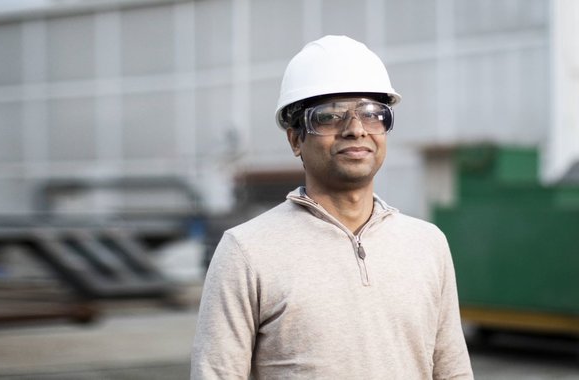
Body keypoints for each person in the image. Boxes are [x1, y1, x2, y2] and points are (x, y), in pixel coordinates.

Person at [191, 35, 474, 379]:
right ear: (296, 138)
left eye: (372, 114)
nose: (356, 130)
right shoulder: (247, 251)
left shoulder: (427, 244)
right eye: (329, 117)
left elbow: (453, 371)